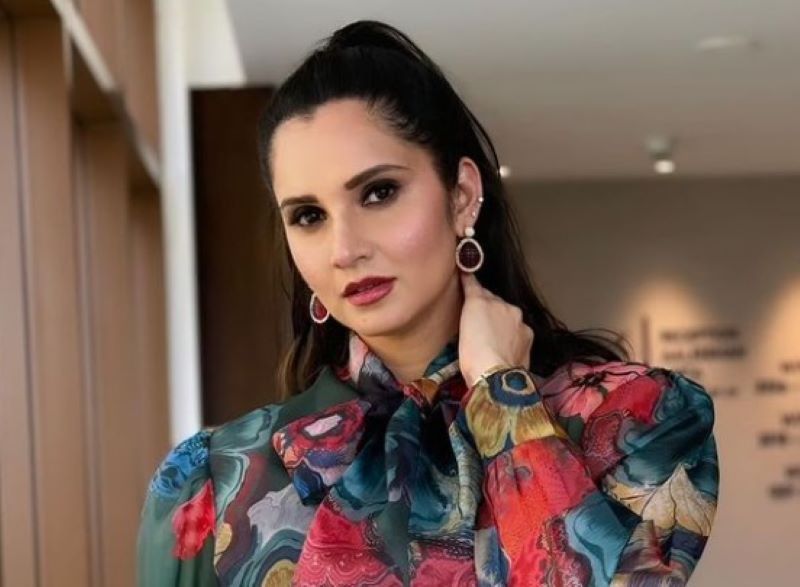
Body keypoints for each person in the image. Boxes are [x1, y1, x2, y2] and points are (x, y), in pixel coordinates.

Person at [137, 19, 719, 586]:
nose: (344, 249)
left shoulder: (637, 419)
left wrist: (501, 397)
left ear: (462, 195)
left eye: (379, 193)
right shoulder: (216, 482)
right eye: (309, 216)